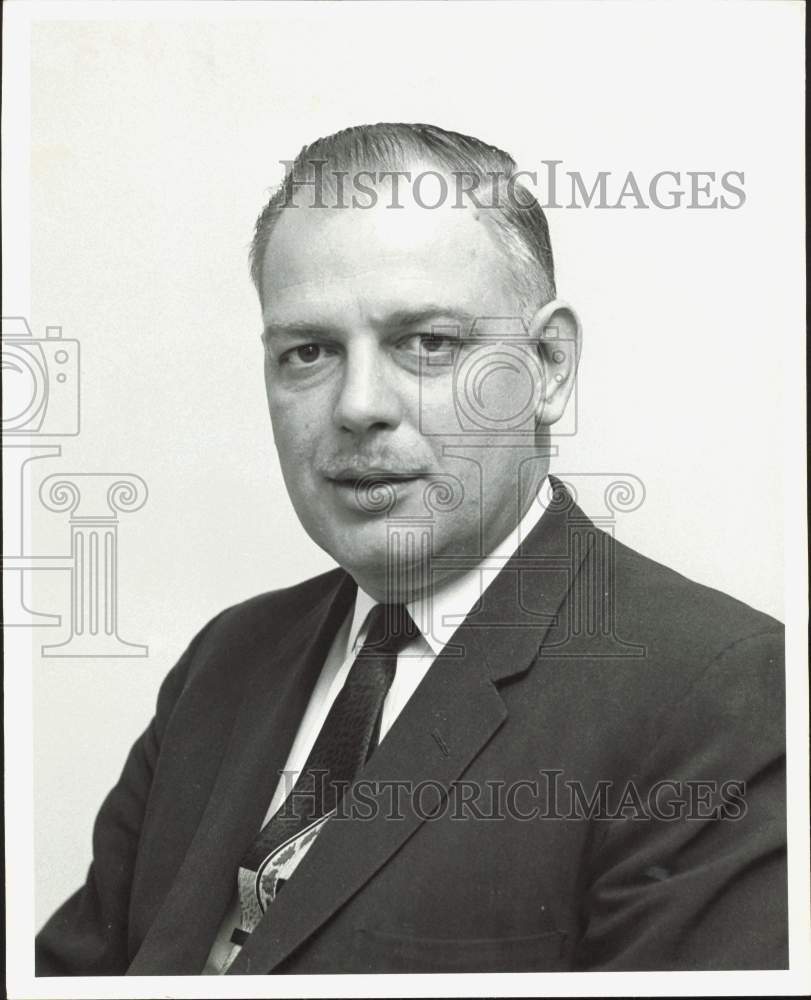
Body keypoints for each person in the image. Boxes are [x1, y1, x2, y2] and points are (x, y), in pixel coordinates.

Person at [35, 123, 787, 976]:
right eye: (308, 352)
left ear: (546, 365)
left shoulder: (717, 691)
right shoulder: (226, 659)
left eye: (426, 342)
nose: (358, 405)